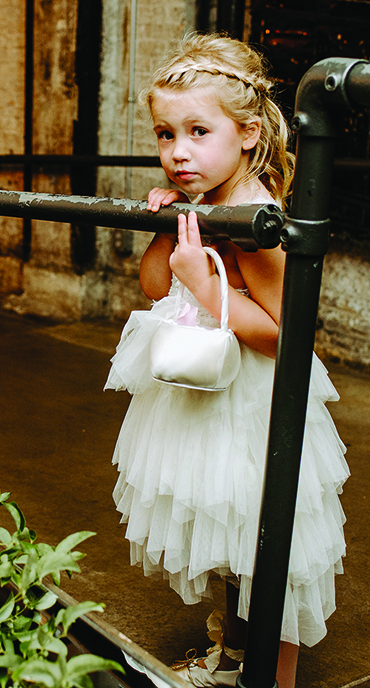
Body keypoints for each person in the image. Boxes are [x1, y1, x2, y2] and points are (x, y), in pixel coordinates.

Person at [105, 33, 348, 688]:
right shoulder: (206, 200)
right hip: (200, 395)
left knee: (268, 547)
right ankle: (237, 659)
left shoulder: (255, 215)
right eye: (164, 133)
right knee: (227, 543)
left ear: (244, 134)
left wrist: (208, 283)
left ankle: (272, 677)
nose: (177, 151)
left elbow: (281, 331)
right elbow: (157, 284)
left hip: (252, 404)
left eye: (196, 131)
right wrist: (171, 224)